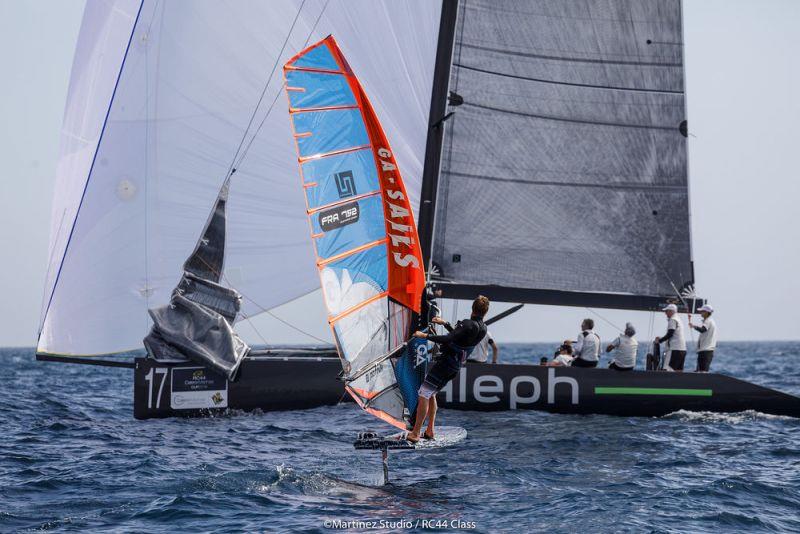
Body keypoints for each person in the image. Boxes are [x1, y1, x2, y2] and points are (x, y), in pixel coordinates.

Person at [408, 295, 489, 442]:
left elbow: (448, 338)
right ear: (485, 312)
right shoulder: (483, 329)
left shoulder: (468, 324)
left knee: (424, 393)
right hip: (454, 367)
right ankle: (430, 430)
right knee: (431, 393)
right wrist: (445, 323)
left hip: (445, 364)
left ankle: (415, 433)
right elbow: (461, 337)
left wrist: (424, 335)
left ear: (473, 308)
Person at [655, 303, 687, 371]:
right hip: (682, 349)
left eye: (666, 311)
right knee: (678, 371)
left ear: (671, 311)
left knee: (667, 370)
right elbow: (674, 334)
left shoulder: (673, 319)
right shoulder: (679, 320)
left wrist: (659, 341)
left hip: (674, 349)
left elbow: (670, 334)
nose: (665, 313)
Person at [689, 304, 717, 372]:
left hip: (706, 351)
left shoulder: (708, 321)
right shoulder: (710, 321)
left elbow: (703, 329)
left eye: (702, 311)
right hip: (705, 351)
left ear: (707, 312)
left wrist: (694, 326)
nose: (700, 313)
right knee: (700, 371)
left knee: (703, 372)